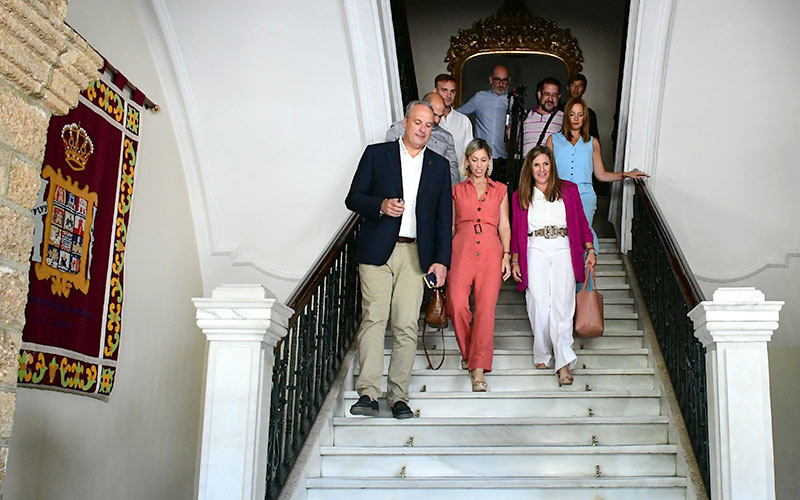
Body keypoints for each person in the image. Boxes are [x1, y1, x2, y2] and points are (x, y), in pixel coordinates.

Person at [346, 100, 452, 419]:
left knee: (406, 324)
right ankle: (368, 393)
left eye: (428, 125)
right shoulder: (377, 154)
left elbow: (443, 217)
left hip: (416, 253)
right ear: (405, 122)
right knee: (374, 319)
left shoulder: (439, 165)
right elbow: (353, 198)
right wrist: (380, 205)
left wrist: (441, 261)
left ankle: (399, 396)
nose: (422, 129)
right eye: (417, 122)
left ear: (433, 129)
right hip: (378, 248)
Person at [510, 146, 595, 386]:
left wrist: (590, 249)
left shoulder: (568, 190)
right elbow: (517, 232)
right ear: (530, 168)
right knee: (537, 300)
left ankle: (563, 362)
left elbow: (581, 222)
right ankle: (542, 351)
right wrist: (515, 259)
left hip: (563, 247)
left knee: (562, 303)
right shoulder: (520, 195)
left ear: (552, 166)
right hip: (534, 247)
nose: (541, 169)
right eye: (536, 165)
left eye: (545, 164)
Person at [447, 138, 511, 392]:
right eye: (474, 159)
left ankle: (477, 369)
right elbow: (450, 226)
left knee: (485, 310)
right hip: (460, 249)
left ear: (489, 162)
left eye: (484, 160)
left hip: (490, 250)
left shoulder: (500, 190)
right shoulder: (456, 190)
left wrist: (507, 254)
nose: (479, 165)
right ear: (467, 161)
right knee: (456, 303)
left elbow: (504, 224)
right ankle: (469, 351)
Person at [546, 96, 649, 252]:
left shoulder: (592, 142)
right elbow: (546, 172)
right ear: (566, 116)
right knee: (562, 238)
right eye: (572, 114)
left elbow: (601, 175)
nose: (576, 118)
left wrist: (626, 174)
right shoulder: (553, 140)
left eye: (580, 115)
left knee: (585, 236)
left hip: (586, 195)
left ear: (585, 118)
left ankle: (589, 275)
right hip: (560, 194)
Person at [387, 92, 460, 186]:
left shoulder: (446, 137)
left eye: (440, 116)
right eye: (434, 114)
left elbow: (452, 171)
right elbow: (388, 163)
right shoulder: (397, 129)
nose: (437, 120)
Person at [457, 64, 510, 183]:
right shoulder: (480, 97)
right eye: (497, 80)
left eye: (504, 80)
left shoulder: (513, 100)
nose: (501, 84)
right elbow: (458, 114)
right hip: (480, 159)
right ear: (491, 79)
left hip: (503, 160)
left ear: (509, 81)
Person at [434, 74, 474, 176]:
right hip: (432, 178)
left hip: (459, 180)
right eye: (444, 90)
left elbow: (469, 153)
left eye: (453, 91)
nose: (449, 95)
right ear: (435, 91)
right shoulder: (427, 119)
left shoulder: (464, 121)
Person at [521, 77, 564, 158]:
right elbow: (511, 148)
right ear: (539, 94)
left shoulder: (565, 118)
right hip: (526, 168)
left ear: (559, 97)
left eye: (554, 95)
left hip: (550, 169)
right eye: (547, 94)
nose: (550, 99)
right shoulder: (525, 117)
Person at [561, 73, 600, 141]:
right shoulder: (559, 109)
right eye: (573, 85)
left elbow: (594, 139)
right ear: (568, 87)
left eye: (580, 86)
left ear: (584, 90)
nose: (576, 89)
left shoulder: (589, 114)